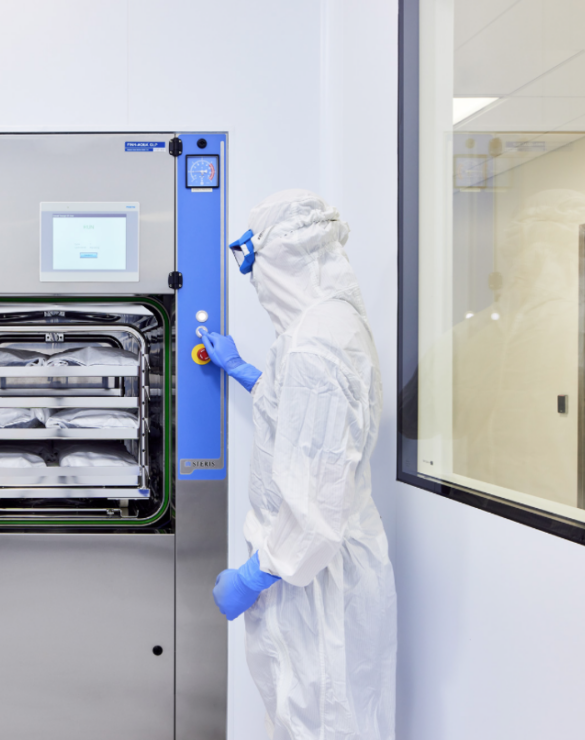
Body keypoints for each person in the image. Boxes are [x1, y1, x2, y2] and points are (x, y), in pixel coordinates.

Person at [206, 190, 396, 740]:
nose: (251, 277)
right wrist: (243, 371)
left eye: (253, 262)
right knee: (305, 714)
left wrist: (255, 574)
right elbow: (307, 427)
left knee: (323, 718)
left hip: (314, 577)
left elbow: (315, 508)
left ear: (281, 258)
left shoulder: (317, 345)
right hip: (306, 568)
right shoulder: (324, 328)